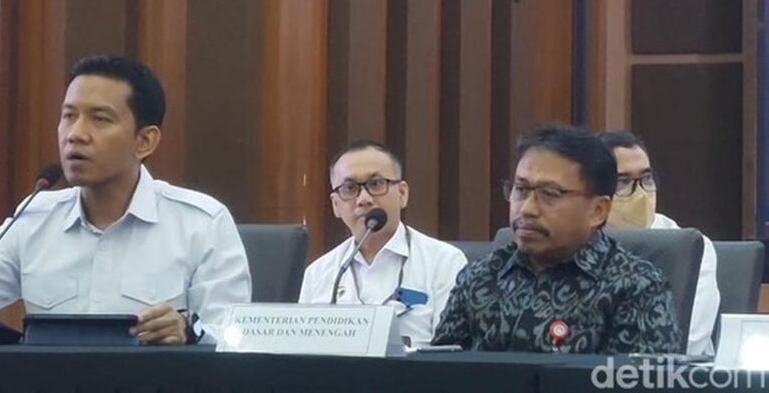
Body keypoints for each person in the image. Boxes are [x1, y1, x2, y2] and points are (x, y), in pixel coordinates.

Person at [0, 55, 252, 344]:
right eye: (69, 116)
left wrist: (188, 332)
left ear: (145, 141)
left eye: (100, 119)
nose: (76, 134)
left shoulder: (201, 223)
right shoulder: (36, 219)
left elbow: (237, 341)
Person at [432, 124, 682, 353]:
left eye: (550, 194)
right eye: (521, 190)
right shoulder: (481, 277)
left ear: (598, 210)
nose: (527, 209)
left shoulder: (635, 288)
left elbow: (639, 379)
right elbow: (436, 373)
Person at [298, 140, 467, 348]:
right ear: (335, 205)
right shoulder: (318, 273)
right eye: (349, 188)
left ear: (402, 194)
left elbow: (449, 352)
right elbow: (303, 353)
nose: (364, 199)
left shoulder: (444, 262)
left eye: (376, 184)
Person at [598, 130, 720, 357]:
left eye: (646, 179)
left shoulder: (690, 247)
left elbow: (687, 343)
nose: (640, 193)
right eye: (623, 181)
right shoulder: (578, 244)